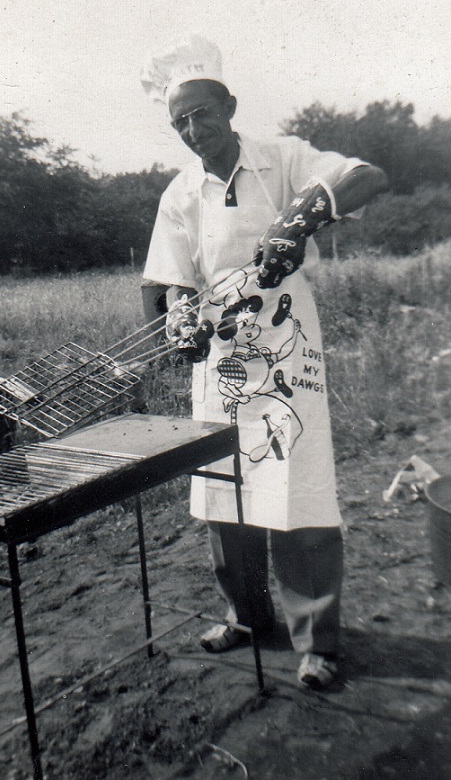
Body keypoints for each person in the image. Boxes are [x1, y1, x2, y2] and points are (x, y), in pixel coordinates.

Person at [140, 35, 388, 690]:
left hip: (286, 349)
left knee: (298, 490)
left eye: (203, 113)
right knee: (226, 491)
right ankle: (247, 617)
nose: (194, 129)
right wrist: (176, 318)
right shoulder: (181, 193)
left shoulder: (281, 158)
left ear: (229, 106)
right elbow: (167, 279)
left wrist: (302, 217)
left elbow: (366, 174)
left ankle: (317, 640)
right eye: (181, 122)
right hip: (222, 357)